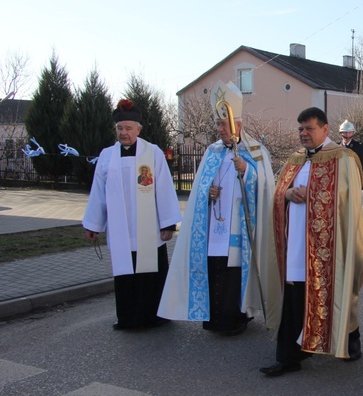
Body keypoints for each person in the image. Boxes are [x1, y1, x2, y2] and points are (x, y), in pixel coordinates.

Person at [159, 81, 278, 335]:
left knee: (234, 274)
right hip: (215, 227)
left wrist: (247, 172)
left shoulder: (256, 152)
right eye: (218, 124)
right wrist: (207, 193)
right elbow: (200, 189)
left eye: (224, 124)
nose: (220, 129)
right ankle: (213, 319)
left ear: (239, 125)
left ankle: (235, 319)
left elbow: (267, 187)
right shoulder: (212, 152)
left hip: (240, 229)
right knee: (216, 271)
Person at [261, 107, 363, 376]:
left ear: (325, 130)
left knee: (337, 293)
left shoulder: (343, 158)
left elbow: (349, 202)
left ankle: (348, 339)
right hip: (296, 244)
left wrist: (314, 196)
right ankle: (290, 356)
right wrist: (287, 195)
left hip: (328, 245)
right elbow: (278, 193)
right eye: (300, 129)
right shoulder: (295, 159)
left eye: (309, 128)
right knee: (296, 297)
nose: (304, 134)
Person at [83, 99, 181, 330]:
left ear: (138, 129)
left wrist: (168, 224)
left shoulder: (153, 152)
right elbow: (98, 191)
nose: (123, 133)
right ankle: (127, 318)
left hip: (148, 229)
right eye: (120, 129)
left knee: (150, 275)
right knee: (126, 276)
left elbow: (165, 187)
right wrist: (93, 225)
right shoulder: (107, 156)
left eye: (128, 128)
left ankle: (155, 316)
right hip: (121, 230)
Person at [338, 119, 363, 191]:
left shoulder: (359, 147)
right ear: (341, 133)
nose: (347, 135)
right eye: (345, 133)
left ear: (353, 133)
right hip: (341, 182)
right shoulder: (337, 147)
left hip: (355, 180)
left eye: (349, 133)